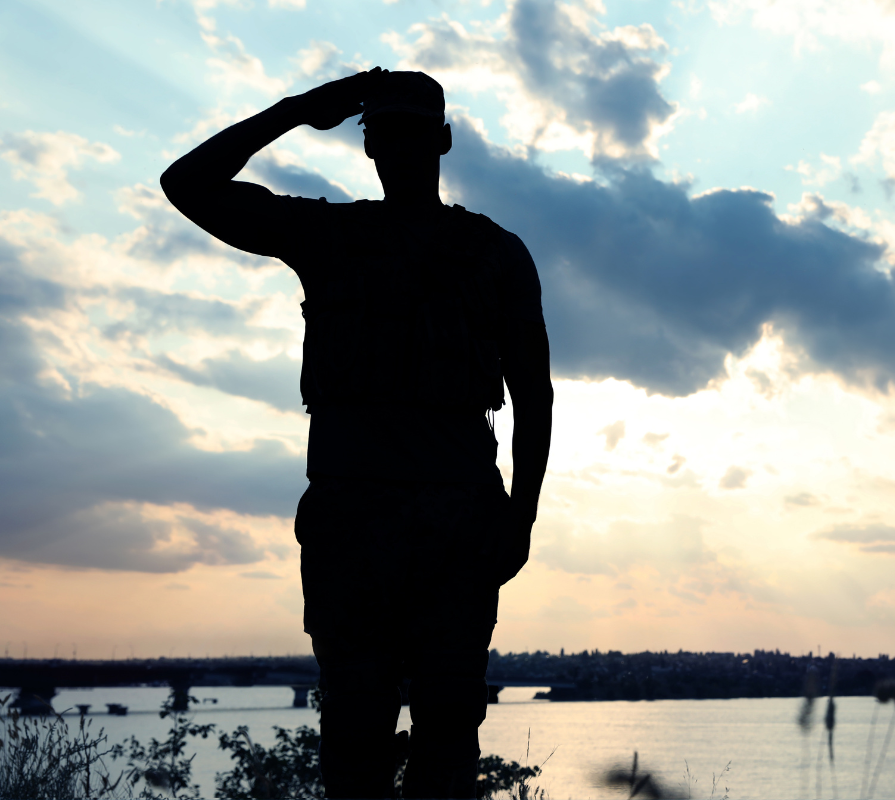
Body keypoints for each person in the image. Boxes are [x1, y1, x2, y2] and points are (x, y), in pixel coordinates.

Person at [160, 67, 553, 799]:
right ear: (367, 146)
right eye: (384, 133)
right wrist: (296, 109)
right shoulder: (328, 235)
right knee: (353, 731)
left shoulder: (495, 253)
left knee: (448, 730)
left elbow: (534, 392)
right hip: (352, 523)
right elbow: (187, 183)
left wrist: (521, 515)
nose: (399, 146)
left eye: (412, 131)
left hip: (459, 521)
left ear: (441, 140)